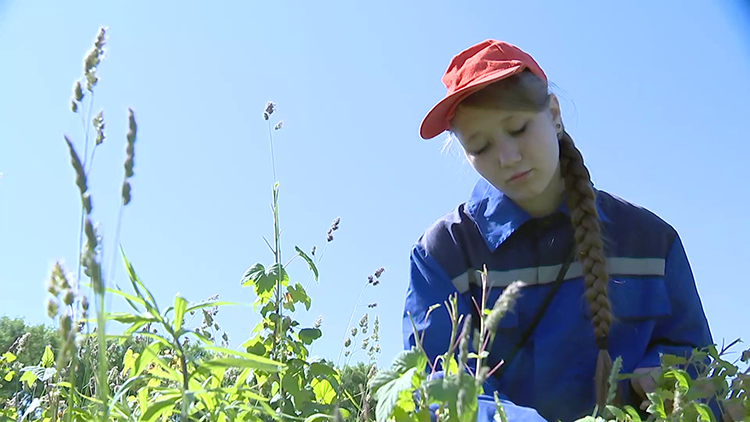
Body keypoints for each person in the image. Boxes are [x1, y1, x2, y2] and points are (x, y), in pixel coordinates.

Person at [402, 39, 715, 422]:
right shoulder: (442, 254)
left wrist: (666, 374)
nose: (507, 157)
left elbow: (696, 359)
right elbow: (439, 385)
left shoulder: (651, 241)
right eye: (480, 147)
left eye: (517, 128)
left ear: (553, 114)